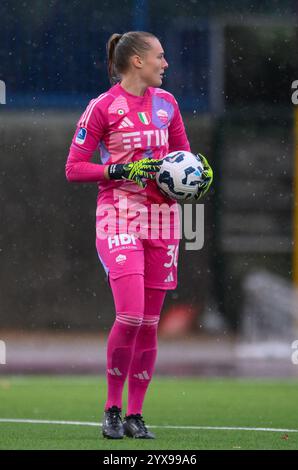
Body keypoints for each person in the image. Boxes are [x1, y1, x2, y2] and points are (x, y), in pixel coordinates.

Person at [65, 31, 212, 440]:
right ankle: (112, 408)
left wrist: (197, 177)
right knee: (129, 315)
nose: (166, 64)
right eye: (160, 57)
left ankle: (135, 414)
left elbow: (185, 159)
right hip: (118, 218)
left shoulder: (169, 105)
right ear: (136, 62)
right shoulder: (104, 107)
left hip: (163, 222)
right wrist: (116, 170)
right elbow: (74, 167)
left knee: (148, 323)